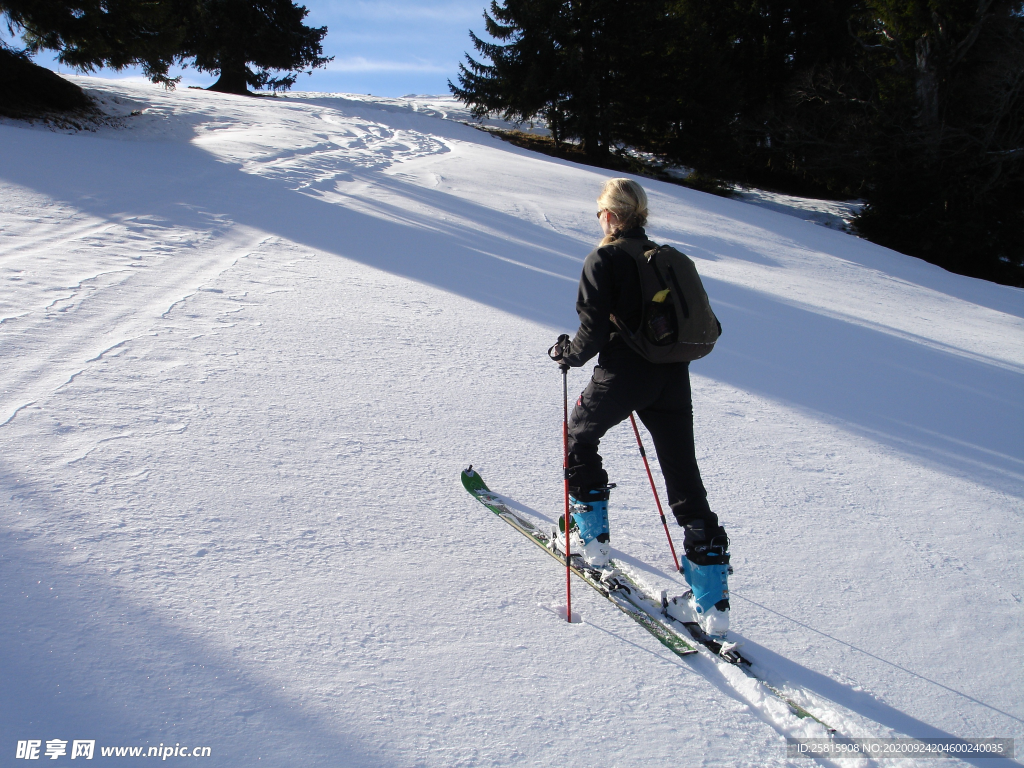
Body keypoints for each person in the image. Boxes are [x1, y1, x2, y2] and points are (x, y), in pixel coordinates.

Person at [547, 178, 731, 637]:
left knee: (579, 437)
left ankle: (590, 543)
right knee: (685, 480)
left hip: (623, 377)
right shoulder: (666, 258)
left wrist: (566, 354)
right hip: (673, 378)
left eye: (599, 213)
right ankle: (710, 606)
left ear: (609, 216)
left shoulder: (603, 258)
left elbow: (589, 337)